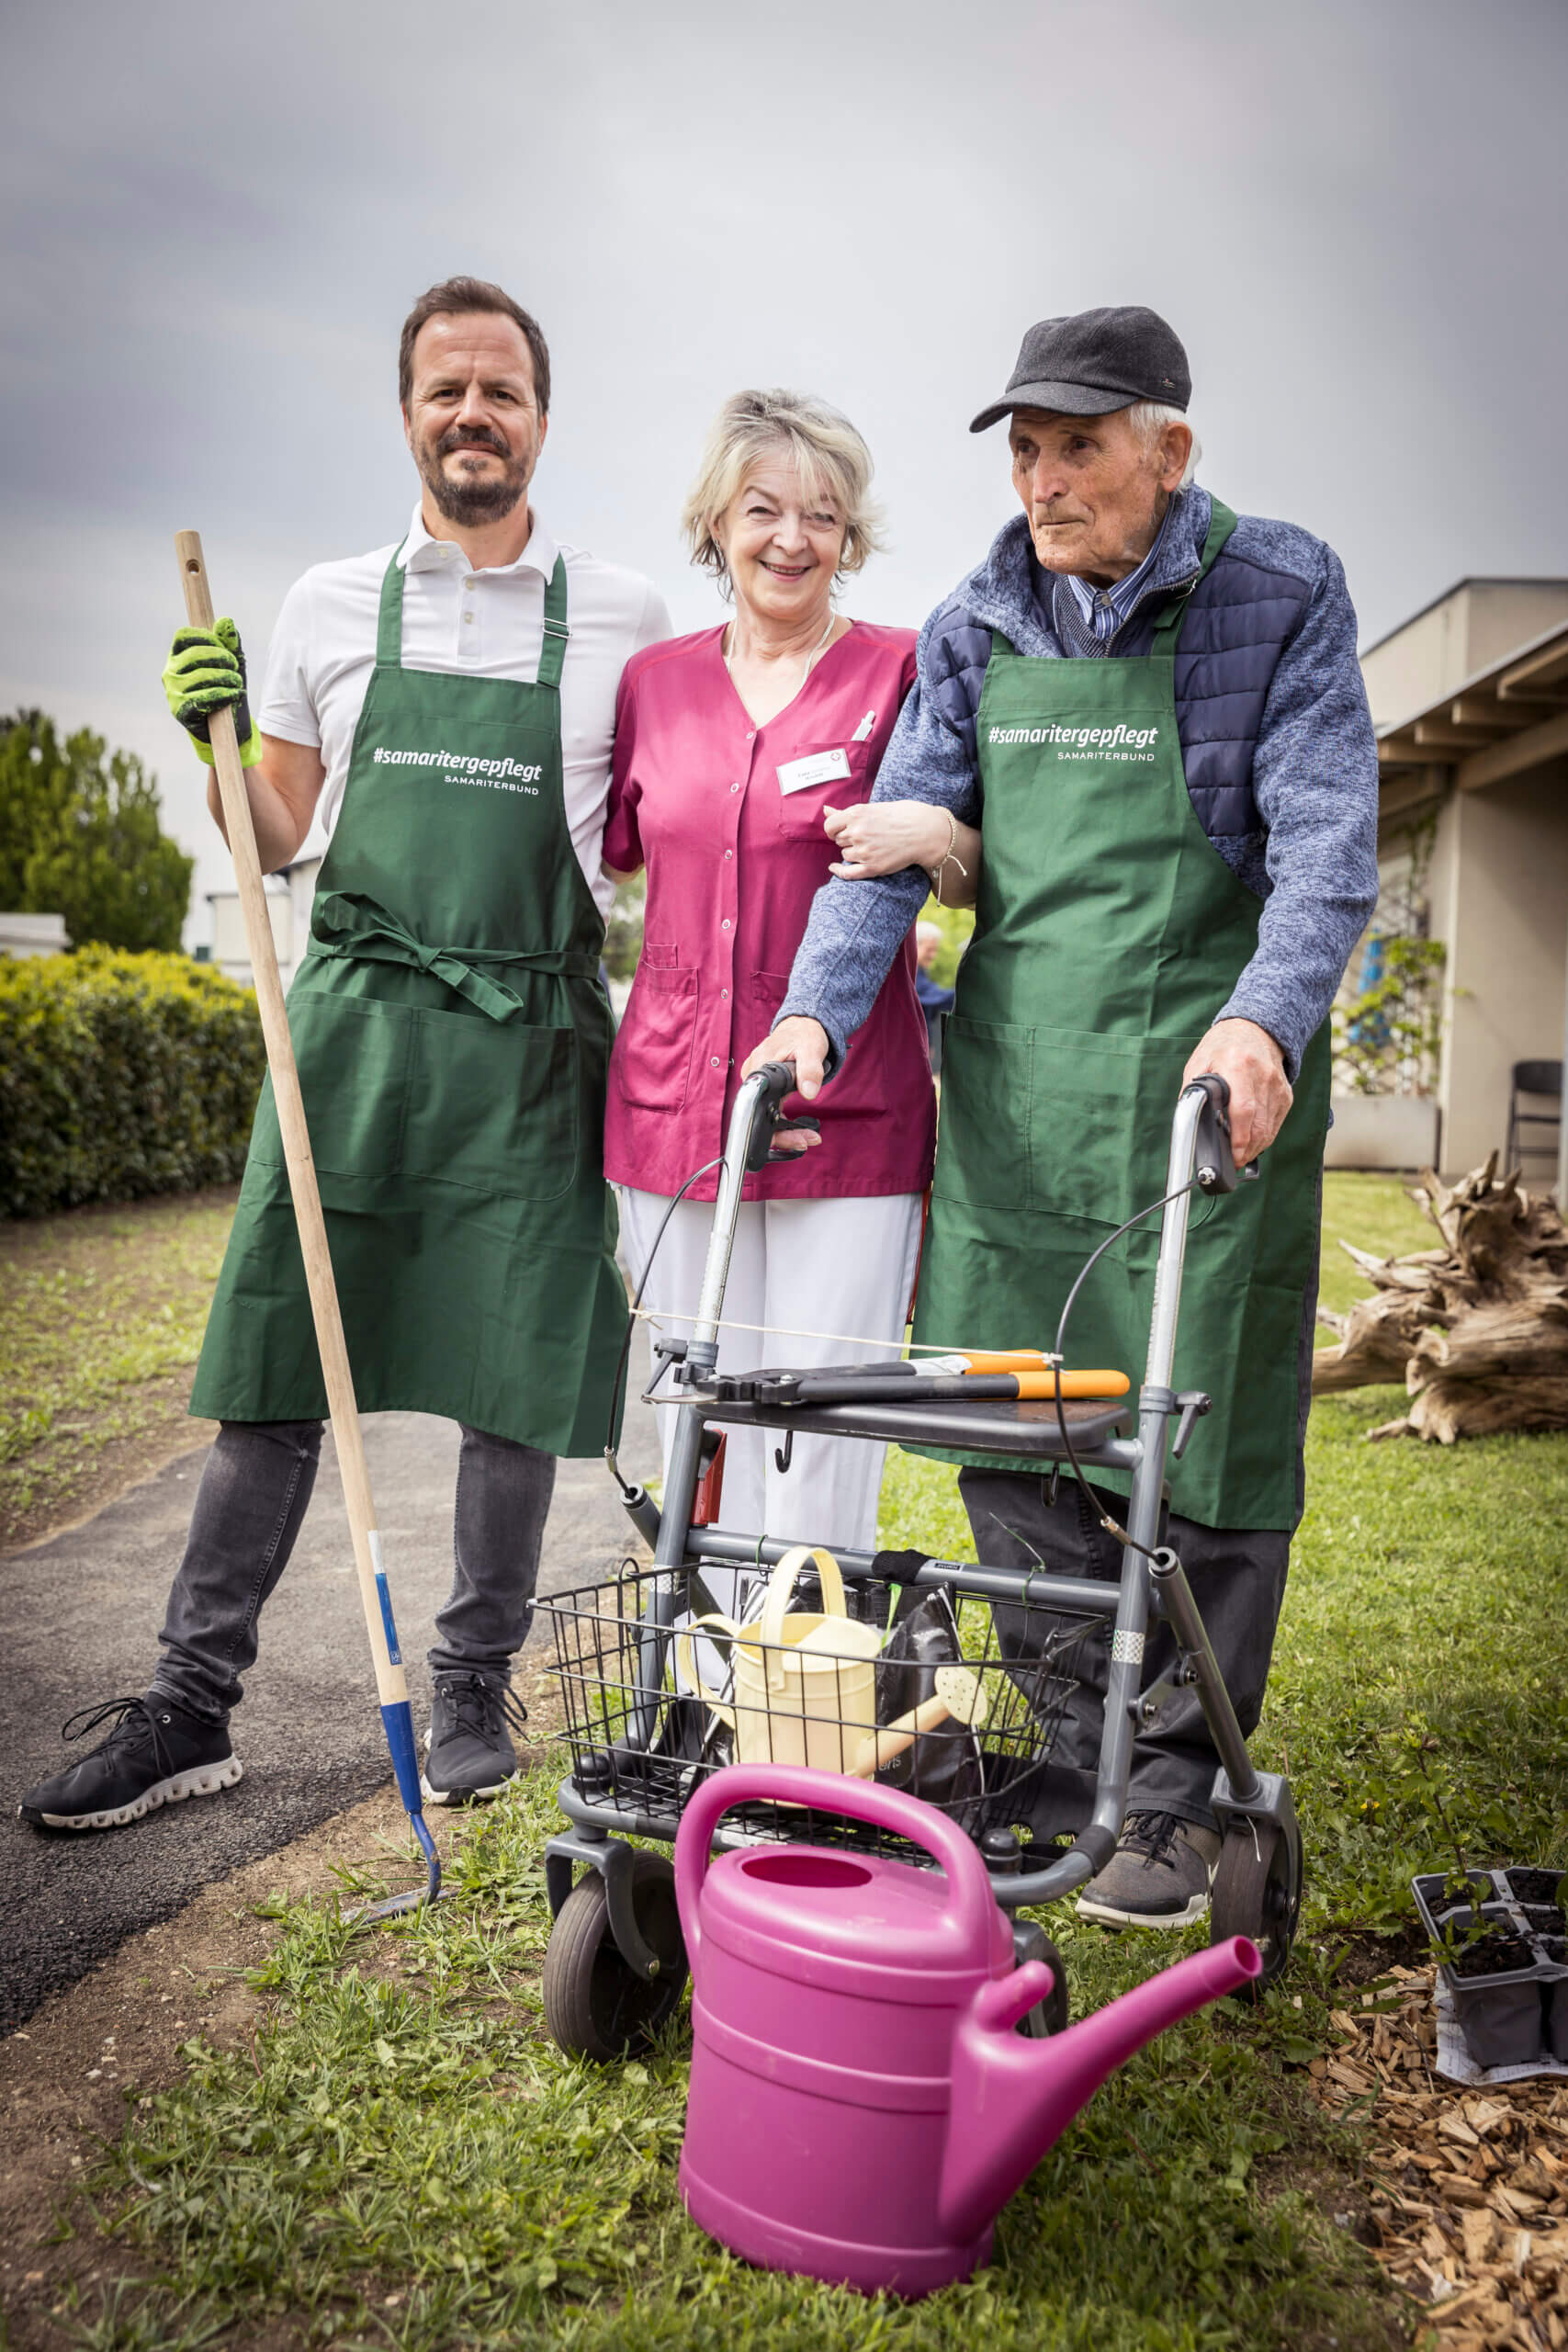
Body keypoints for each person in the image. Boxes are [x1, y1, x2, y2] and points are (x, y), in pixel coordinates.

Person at [749, 306, 1379, 1927]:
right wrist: (814, 1015)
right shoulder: (978, 614)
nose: (1042, 477)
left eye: (1076, 444)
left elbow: (1323, 848)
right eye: (1024, 448)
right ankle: (1088, 1744)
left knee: (1207, 1454)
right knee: (1008, 1440)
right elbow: (892, 849)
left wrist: (1262, 1020)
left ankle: (1173, 1789)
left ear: (1169, 449)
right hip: (1023, 1104)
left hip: (1200, 1097)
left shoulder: (1281, 592)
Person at [18, 277, 671, 1836]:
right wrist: (220, 746)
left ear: (538, 419)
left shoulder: (628, 618)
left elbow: (667, 829)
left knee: (514, 1381)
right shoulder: (327, 603)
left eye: (499, 391)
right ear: (406, 416)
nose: (471, 414)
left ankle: (468, 1682)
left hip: (530, 1046)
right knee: (275, 1367)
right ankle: (188, 1705)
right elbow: (280, 832)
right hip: (356, 1039)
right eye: (444, 389)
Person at [604, 390, 966, 1552]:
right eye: (762, 509)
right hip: (668, 1111)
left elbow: (975, 868)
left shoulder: (907, 671)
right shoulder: (651, 684)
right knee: (698, 1434)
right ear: (715, 523)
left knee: (820, 1436)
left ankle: (806, 1711)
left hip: (844, 1114)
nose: (791, 538)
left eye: (823, 514)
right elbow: (608, 854)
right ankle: (711, 1709)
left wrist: (946, 842)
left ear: (853, 538)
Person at [913, 922, 955, 1069]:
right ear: (915, 946)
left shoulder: (922, 972)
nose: (933, 955)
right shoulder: (911, 975)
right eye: (929, 950)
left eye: (935, 950)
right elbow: (937, 997)